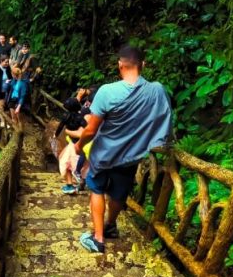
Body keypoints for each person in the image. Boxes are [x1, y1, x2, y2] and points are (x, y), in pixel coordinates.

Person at [74, 45, 173, 253]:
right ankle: (110, 226)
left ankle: (98, 238)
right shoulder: (156, 90)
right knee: (119, 193)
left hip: (104, 154)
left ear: (120, 65)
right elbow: (163, 120)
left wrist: (79, 145)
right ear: (143, 65)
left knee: (97, 189)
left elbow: (91, 130)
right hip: (131, 155)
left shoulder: (107, 92)